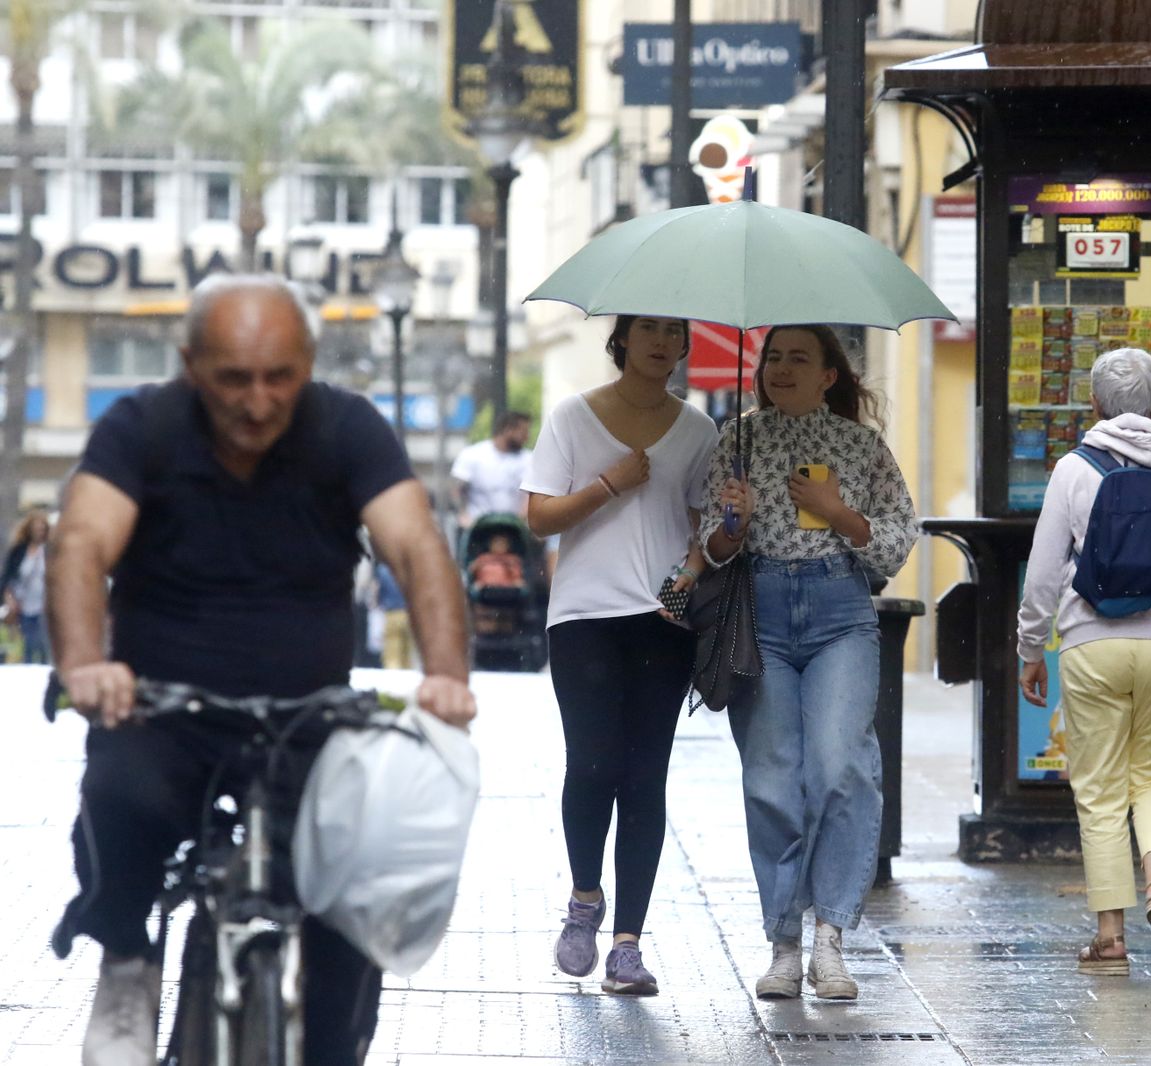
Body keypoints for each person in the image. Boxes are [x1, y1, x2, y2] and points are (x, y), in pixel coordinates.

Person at [47, 275, 476, 1066]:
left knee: (353, 881)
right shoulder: (142, 427)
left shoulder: (347, 427)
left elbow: (416, 546)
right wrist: (84, 664)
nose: (257, 401)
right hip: (165, 712)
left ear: (307, 363)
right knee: (118, 796)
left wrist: (446, 674)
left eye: (280, 377)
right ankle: (127, 962)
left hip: (308, 716)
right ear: (190, 365)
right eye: (233, 379)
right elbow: (80, 544)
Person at [704, 325, 916, 1002]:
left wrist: (836, 512)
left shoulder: (861, 445)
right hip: (760, 617)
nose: (781, 368)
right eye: (774, 357)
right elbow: (710, 547)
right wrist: (732, 525)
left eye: (799, 358)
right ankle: (784, 945)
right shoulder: (737, 438)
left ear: (829, 376)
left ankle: (831, 936)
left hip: (839, 614)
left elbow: (898, 538)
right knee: (772, 779)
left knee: (840, 766)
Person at [524, 315, 717, 996]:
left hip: (664, 618)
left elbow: (704, 532)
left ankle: (627, 946)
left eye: (673, 332)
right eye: (648, 330)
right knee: (592, 764)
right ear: (624, 340)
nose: (662, 342)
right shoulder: (572, 418)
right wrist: (609, 483)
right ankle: (584, 900)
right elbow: (539, 517)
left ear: (684, 345)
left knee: (643, 777)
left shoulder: (698, 430)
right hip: (584, 617)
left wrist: (698, 563)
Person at [1018, 346, 1151, 976]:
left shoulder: (1074, 468)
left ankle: (1110, 938)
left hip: (1092, 638)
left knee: (1099, 787)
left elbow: (1043, 571)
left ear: (1094, 402)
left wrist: (1030, 648)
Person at [451, 409, 533, 540]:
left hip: (514, 530)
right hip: (477, 528)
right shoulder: (473, 454)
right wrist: (463, 515)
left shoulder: (528, 459)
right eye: (523, 432)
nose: (527, 437)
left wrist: (521, 520)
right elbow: (458, 490)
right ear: (508, 429)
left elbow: (529, 496)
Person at [4, 506, 52, 663]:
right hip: (24, 604)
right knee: (29, 643)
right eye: (36, 528)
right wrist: (9, 598)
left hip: (45, 604)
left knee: (43, 644)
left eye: (42, 529)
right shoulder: (19, 550)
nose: (39, 532)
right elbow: (8, 576)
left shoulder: (51, 550)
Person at [372, 560, 413, 670]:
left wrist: (376, 605)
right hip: (409, 615)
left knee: (392, 651)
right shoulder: (410, 569)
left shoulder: (383, 570)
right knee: (407, 652)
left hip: (391, 614)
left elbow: (376, 590)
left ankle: (392, 677)